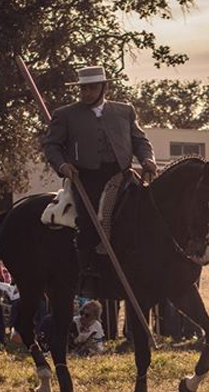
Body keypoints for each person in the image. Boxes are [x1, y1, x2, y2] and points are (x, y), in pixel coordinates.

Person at [42, 65, 158, 294]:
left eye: (92, 88)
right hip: (86, 178)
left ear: (104, 87)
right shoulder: (65, 114)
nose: (87, 93)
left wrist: (147, 159)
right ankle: (88, 271)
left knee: (148, 212)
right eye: (83, 89)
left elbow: (140, 141)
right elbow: (52, 145)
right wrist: (62, 165)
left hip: (121, 175)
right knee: (88, 222)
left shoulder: (125, 111)